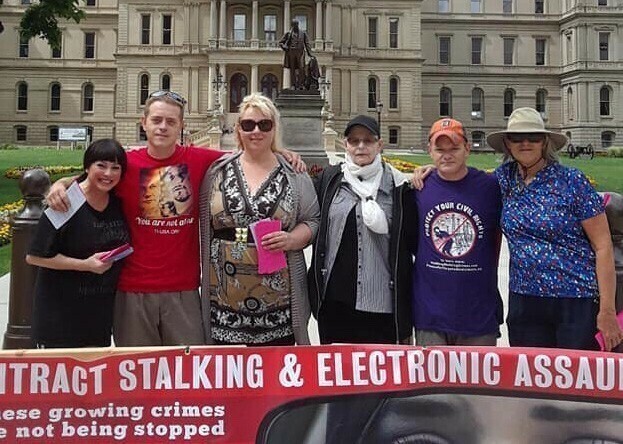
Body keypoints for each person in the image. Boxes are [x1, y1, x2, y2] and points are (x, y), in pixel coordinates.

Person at [47, 91, 305, 347]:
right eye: (157, 120)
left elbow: (250, 155)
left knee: (187, 369)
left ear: (181, 125)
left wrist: (280, 151)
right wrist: (61, 184)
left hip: (184, 292)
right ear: (144, 123)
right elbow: (92, 180)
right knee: (140, 368)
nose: (163, 127)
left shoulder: (201, 160)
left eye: (171, 121)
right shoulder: (125, 165)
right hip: (133, 289)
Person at [487, 107, 623, 351]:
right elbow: (464, 182)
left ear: (545, 142)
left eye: (534, 137)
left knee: (577, 372)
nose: (525, 143)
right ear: (507, 143)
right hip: (525, 300)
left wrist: (607, 311)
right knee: (529, 372)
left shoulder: (572, 181)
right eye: (517, 137)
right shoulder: (503, 179)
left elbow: (602, 245)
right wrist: (431, 171)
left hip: (575, 299)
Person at [199, 93, 319, 346]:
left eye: (264, 124)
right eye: (248, 124)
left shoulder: (294, 173)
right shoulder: (217, 170)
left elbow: (313, 220)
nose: (256, 131)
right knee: (227, 369)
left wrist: (292, 239)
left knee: (275, 367)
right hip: (223, 298)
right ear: (238, 129)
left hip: (278, 301)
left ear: (274, 128)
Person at [308, 115, 415, 345]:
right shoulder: (330, 180)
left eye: (368, 140)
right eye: (354, 141)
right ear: (345, 144)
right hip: (335, 303)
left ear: (379, 144)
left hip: (381, 305)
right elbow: (306, 212)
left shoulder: (399, 187)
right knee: (336, 367)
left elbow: (412, 243)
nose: (361, 146)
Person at [26, 139, 129, 348]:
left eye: (115, 168)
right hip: (59, 315)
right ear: (87, 167)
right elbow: (35, 256)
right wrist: (84, 265)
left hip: (98, 316)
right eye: (101, 165)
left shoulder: (116, 201)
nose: (108, 173)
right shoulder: (66, 202)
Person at [412, 118, 502, 346]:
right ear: (430, 151)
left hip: (478, 317)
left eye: (454, 149)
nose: (447, 155)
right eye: (440, 150)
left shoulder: (490, 187)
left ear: (467, 149)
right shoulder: (419, 188)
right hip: (430, 316)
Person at [279, 20, 312, 90]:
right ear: (292, 25)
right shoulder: (288, 33)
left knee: (302, 68)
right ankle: (293, 85)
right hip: (291, 52)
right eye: (294, 25)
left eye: (296, 24)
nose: (296, 26)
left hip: (300, 52)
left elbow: (307, 43)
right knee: (292, 69)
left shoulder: (303, 33)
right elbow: (281, 42)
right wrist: (285, 47)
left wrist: (310, 53)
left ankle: (301, 84)